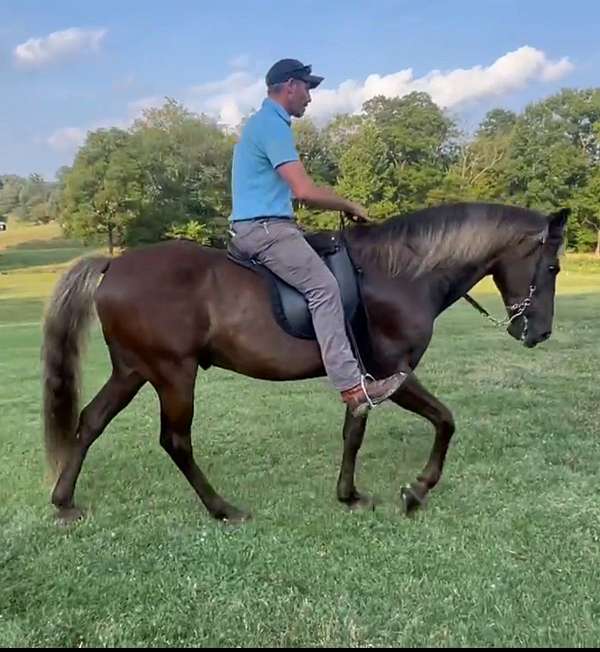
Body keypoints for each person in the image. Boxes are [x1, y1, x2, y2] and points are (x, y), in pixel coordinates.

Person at [229, 58, 407, 416]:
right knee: (325, 288)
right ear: (290, 85)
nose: (310, 97)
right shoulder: (272, 125)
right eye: (308, 88)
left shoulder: (263, 122)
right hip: (265, 229)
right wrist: (349, 203)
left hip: (264, 224)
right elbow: (303, 191)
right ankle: (352, 386)